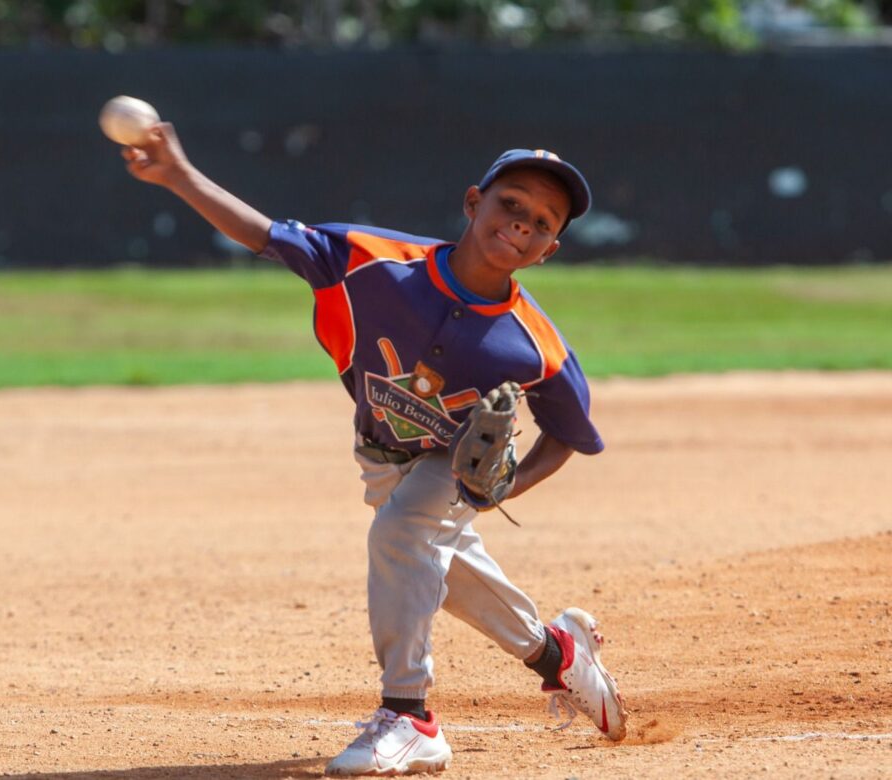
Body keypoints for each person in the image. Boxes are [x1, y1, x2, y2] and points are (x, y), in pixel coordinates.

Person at [119, 123, 627, 776]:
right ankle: (559, 654)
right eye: (511, 203)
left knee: (402, 534)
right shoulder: (371, 258)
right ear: (474, 202)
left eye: (541, 220)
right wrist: (178, 174)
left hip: (450, 465)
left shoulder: (536, 345)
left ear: (549, 248)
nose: (521, 223)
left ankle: (409, 714)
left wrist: (503, 487)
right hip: (380, 450)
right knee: (440, 570)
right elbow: (266, 236)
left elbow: (569, 434)